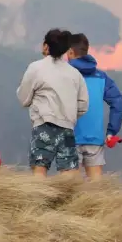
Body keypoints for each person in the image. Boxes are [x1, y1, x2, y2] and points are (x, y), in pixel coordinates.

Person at [16, 29, 89, 178]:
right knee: (68, 171)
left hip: (43, 124)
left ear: (45, 46)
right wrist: (70, 115)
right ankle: (71, 201)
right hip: (67, 127)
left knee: (40, 168)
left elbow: (24, 99)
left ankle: (39, 201)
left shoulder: (36, 68)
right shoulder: (75, 74)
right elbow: (83, 105)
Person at [67, 33, 122, 181]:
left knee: (69, 189)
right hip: (95, 139)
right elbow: (117, 101)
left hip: (69, 138)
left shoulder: (66, 75)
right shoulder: (101, 77)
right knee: (96, 190)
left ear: (71, 52)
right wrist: (112, 131)